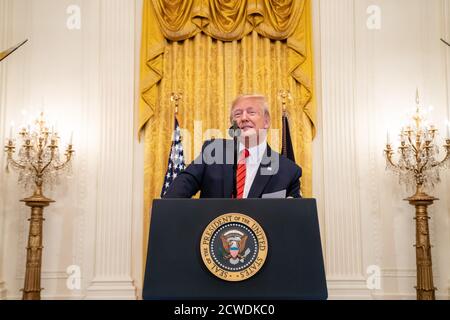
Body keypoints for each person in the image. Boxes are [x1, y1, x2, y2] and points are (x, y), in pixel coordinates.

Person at [163, 94, 302, 199]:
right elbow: (180, 188)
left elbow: (292, 219)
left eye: (251, 112)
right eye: (237, 114)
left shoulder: (288, 171)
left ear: (266, 121)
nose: (244, 118)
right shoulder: (214, 151)